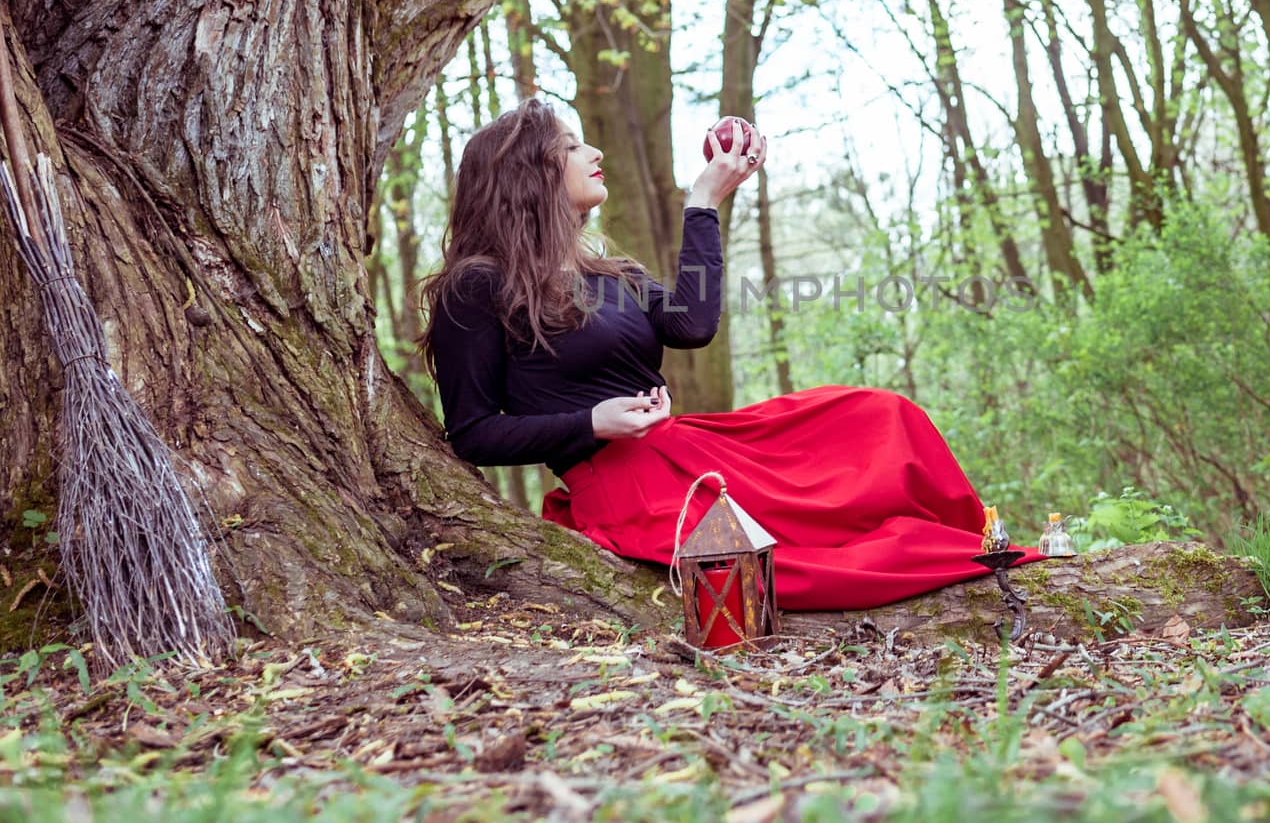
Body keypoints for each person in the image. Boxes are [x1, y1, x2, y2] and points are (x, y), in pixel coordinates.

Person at [421, 98, 1039, 611]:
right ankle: (960, 555)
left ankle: (978, 535)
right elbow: (472, 434)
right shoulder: (477, 285)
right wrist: (591, 423)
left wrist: (704, 202)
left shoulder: (611, 271)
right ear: (530, 172)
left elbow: (691, 324)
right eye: (574, 146)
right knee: (800, 562)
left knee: (878, 416)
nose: (595, 154)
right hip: (626, 484)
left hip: (687, 447)